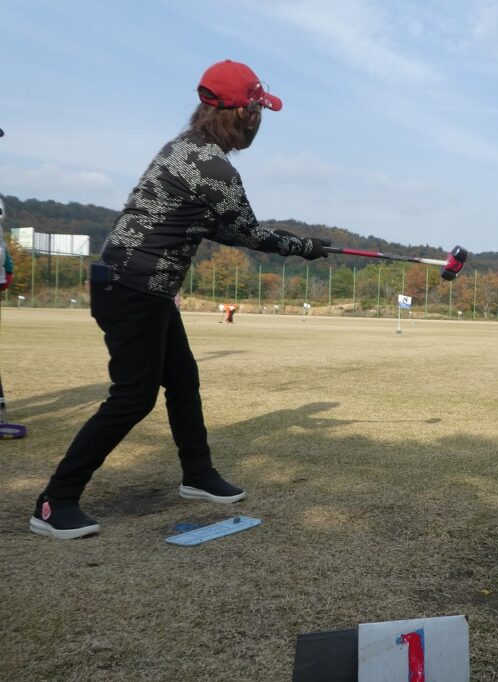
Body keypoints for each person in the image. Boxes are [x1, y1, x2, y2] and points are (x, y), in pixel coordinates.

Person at [30, 60, 331, 540]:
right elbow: (247, 232)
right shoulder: (214, 167)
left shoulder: (185, 149)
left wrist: (299, 243)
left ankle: (198, 474)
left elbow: (218, 227)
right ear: (245, 114)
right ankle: (55, 501)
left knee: (183, 380)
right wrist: (305, 246)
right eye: (259, 112)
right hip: (134, 287)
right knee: (133, 398)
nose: (260, 122)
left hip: (138, 285)